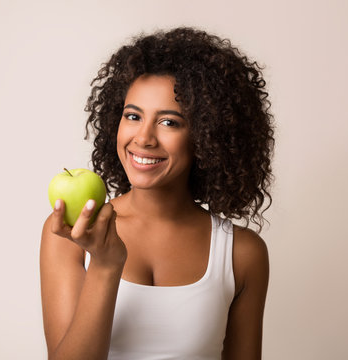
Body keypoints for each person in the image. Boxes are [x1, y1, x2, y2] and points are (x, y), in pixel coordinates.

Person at [40, 27, 275, 360]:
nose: (144, 138)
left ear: (207, 137)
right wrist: (106, 265)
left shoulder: (242, 254)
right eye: (133, 116)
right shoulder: (71, 234)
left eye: (169, 122)